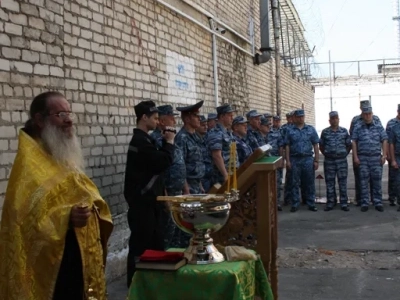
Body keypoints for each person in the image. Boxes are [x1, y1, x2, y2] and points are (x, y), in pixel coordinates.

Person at [0, 91, 113, 299]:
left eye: (69, 113)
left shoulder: (61, 154)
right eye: (60, 114)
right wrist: (66, 218)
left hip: (79, 259)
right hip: (54, 271)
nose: (69, 120)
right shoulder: (30, 165)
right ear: (40, 120)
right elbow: (23, 222)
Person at [124, 100, 175, 287]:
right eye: (154, 118)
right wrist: (169, 142)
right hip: (142, 205)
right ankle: (136, 285)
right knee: (140, 246)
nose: (157, 121)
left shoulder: (146, 140)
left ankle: (152, 284)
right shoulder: (140, 141)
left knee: (154, 244)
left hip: (150, 204)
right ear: (143, 118)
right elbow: (161, 162)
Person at [152, 105, 188, 248]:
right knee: (167, 236)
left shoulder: (170, 137)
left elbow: (179, 162)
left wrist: (185, 188)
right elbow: (158, 172)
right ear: (161, 121)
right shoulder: (156, 140)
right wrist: (166, 196)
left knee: (178, 232)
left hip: (177, 193)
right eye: (171, 117)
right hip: (167, 194)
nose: (174, 120)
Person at [352, 106, 387, 212]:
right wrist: (355, 157)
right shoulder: (358, 127)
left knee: (376, 181)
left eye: (369, 114)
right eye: (365, 114)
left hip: (376, 158)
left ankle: (378, 202)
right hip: (363, 158)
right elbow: (354, 141)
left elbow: (384, 140)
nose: (367, 116)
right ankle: (365, 202)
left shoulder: (378, 126)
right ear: (362, 115)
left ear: (372, 114)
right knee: (363, 181)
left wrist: (384, 155)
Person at [285, 109, 319, 212]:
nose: (301, 118)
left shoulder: (310, 129)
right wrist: (288, 161)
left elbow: (315, 145)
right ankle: (295, 203)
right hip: (295, 159)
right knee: (294, 182)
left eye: (302, 116)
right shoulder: (290, 130)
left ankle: (311, 202)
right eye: (298, 117)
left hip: (308, 158)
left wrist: (316, 160)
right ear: (294, 117)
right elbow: (287, 146)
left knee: (309, 182)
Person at [319, 111, 351, 211]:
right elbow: (321, 146)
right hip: (329, 161)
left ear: (339, 119)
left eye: (336, 118)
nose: (334, 120)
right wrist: (327, 154)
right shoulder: (325, 132)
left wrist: (343, 153)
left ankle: (344, 203)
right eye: (332, 118)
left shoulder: (344, 131)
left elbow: (349, 145)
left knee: (342, 182)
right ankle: (331, 202)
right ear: (329, 120)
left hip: (341, 160)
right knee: (329, 182)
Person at [175, 101, 206, 194]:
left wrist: (200, 185)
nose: (199, 119)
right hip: (188, 186)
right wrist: (186, 188)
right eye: (196, 116)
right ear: (188, 119)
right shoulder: (181, 138)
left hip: (197, 185)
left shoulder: (195, 136)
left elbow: (197, 162)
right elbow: (180, 165)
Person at [206, 103, 238, 185]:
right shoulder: (216, 133)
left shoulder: (227, 132)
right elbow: (216, 155)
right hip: (221, 177)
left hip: (232, 174)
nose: (232, 118)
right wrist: (225, 175)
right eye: (230, 115)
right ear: (222, 117)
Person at [385, 104, 400, 206]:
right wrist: (388, 155)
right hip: (394, 155)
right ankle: (392, 197)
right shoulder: (391, 123)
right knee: (393, 178)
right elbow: (388, 141)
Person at [268, 115, 283, 211]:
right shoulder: (261, 133)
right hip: (266, 162)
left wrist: (281, 159)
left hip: (275, 159)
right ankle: (268, 203)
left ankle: (276, 202)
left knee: (277, 182)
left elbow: (280, 147)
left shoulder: (277, 133)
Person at [197, 115, 213, 192]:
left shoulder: (205, 139)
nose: (206, 127)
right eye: (203, 125)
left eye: (206, 125)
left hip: (209, 178)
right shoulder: (194, 141)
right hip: (200, 180)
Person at [389, 120, 400, 211]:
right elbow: (391, 144)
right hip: (398, 157)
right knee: (398, 182)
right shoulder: (395, 128)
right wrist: (393, 160)